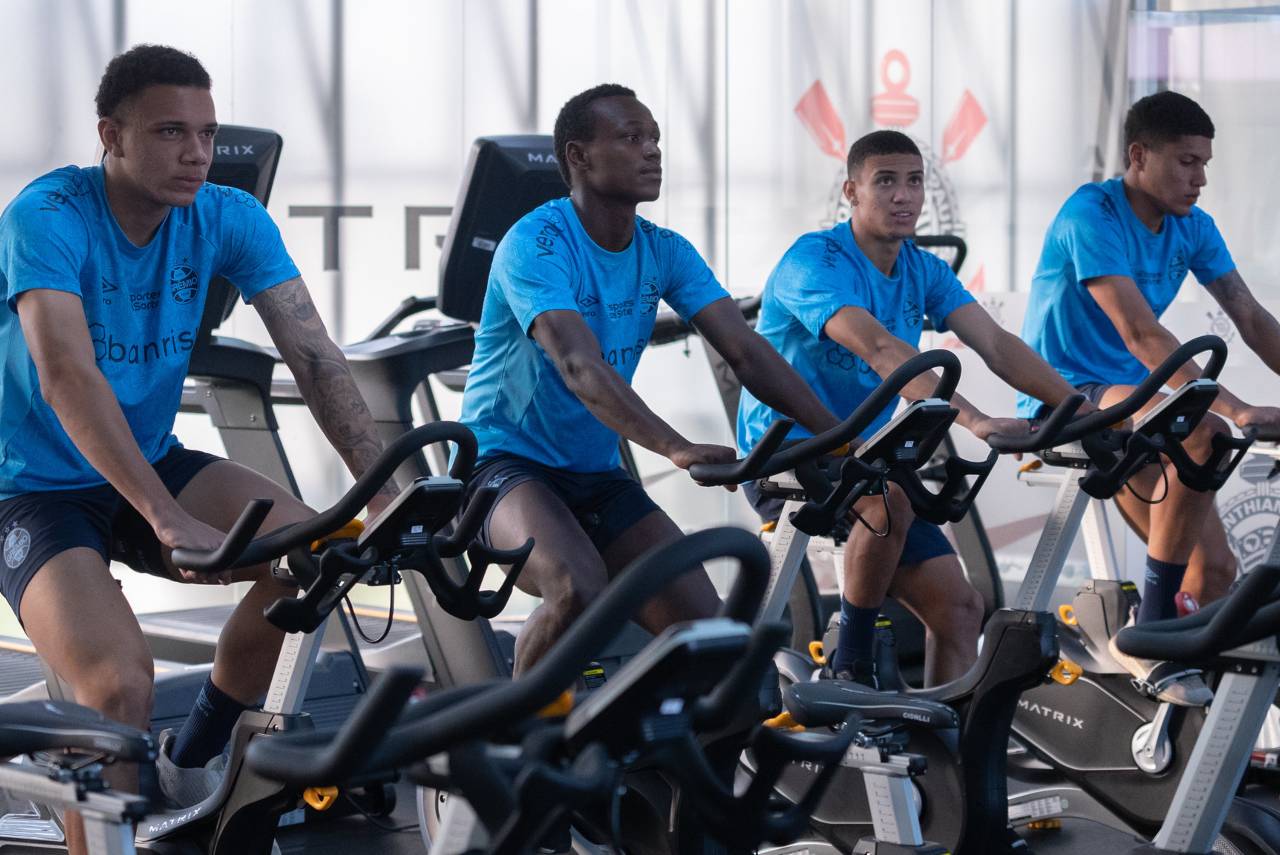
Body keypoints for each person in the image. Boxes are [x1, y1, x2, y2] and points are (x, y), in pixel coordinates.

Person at [0, 44, 396, 849]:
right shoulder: (48, 215)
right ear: (110, 134)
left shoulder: (225, 216)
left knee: (316, 560)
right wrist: (163, 514)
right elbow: (68, 375)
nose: (198, 155)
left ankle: (197, 750)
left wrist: (384, 487)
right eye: (171, 132)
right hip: (33, 483)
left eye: (209, 134)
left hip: (148, 455)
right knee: (115, 689)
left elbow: (314, 355)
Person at [457, 83, 840, 675]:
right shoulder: (536, 243)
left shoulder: (664, 251)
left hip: (595, 477)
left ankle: (684, 761)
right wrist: (674, 446)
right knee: (576, 586)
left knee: (713, 642)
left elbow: (745, 350)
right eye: (632, 138)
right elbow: (579, 366)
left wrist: (843, 436)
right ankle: (519, 743)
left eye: (655, 138)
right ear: (578, 157)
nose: (652, 151)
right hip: (503, 468)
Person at [738, 130, 1084, 688]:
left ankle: (944, 750)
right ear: (852, 191)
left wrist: (1076, 406)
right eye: (885, 181)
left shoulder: (923, 269)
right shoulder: (815, 260)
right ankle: (847, 664)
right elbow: (881, 351)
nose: (904, 195)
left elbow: (994, 343)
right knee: (889, 496)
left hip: (863, 459)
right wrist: (974, 420)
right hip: (789, 451)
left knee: (961, 610)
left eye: (914, 181)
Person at [1017, 90, 1280, 702]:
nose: (1201, 178)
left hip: (1138, 396)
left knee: (1215, 575)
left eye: (1206, 163)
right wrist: (1235, 407)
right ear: (1139, 156)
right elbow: (1142, 333)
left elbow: (1248, 313)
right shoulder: (1093, 215)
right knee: (1206, 428)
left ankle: (1197, 734)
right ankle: (1153, 626)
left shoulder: (1192, 226)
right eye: (1188, 162)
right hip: (1067, 394)